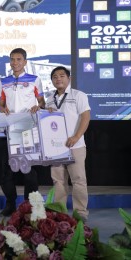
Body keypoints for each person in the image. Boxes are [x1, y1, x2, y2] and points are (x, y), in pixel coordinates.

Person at [0, 48, 46, 217]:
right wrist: (3, 110)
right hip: (10, 131)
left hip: (28, 130)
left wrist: (38, 107)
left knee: (29, 171)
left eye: (19, 59)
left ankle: (30, 205)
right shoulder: (4, 82)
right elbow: (1, 104)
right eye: (12, 59)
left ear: (25, 62)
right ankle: (10, 204)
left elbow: (42, 102)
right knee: (8, 171)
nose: (15, 62)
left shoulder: (34, 80)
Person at [46, 66, 90, 221]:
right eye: (55, 77)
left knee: (78, 180)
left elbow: (85, 117)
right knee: (58, 181)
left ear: (69, 78)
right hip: (56, 148)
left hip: (75, 146)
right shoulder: (50, 99)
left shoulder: (79, 95)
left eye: (62, 76)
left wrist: (76, 136)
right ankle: (60, 213)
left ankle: (81, 213)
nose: (58, 79)